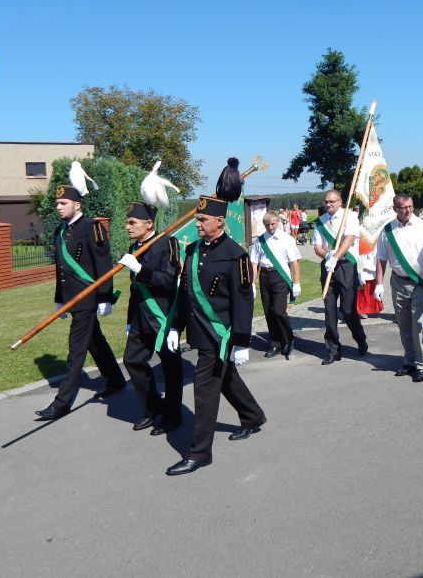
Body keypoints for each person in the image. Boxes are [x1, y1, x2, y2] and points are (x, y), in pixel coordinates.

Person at [165, 158, 266, 475]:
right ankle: (252, 416)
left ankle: (199, 453)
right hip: (199, 331)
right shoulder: (193, 250)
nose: (197, 224)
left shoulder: (236, 255)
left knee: (204, 389)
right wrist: (175, 326)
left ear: (220, 222)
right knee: (227, 379)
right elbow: (186, 292)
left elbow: (243, 300)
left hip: (221, 336)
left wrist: (242, 341)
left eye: (202, 219)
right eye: (197, 219)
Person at [35, 184, 125, 420]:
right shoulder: (60, 231)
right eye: (57, 203)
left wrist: (105, 298)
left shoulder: (92, 228)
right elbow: (61, 270)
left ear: (77, 205)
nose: (58, 207)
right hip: (71, 298)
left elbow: (103, 265)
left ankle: (61, 403)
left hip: (87, 298)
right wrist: (59, 299)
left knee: (76, 351)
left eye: (63, 203)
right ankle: (116, 379)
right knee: (95, 341)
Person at [115, 202, 183, 435]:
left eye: (132, 222)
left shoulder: (168, 244)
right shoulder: (134, 247)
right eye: (127, 222)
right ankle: (153, 408)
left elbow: (168, 280)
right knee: (132, 360)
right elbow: (135, 289)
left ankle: (173, 415)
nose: (127, 227)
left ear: (149, 223)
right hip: (140, 317)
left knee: (171, 368)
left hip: (163, 317)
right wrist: (129, 319)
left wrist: (140, 269)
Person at [374, 194, 423, 383]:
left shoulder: (422, 226)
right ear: (395, 209)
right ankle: (409, 359)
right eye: (403, 207)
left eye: (410, 206)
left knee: (418, 322)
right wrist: (378, 283)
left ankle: (422, 364)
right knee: (403, 323)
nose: (408, 210)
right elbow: (381, 259)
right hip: (398, 281)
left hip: (420, 281)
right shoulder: (387, 230)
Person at [312, 189, 368, 364]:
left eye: (332, 201)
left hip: (346, 266)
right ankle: (333, 350)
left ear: (340, 202)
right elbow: (317, 247)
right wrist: (327, 255)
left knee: (348, 310)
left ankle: (360, 338)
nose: (328, 204)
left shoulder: (350, 216)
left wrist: (336, 257)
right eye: (326, 202)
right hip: (328, 267)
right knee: (329, 312)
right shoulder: (320, 221)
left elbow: (349, 239)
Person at [250, 210, 301, 360]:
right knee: (268, 312)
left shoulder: (287, 239)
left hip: (280, 276)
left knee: (279, 311)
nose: (270, 227)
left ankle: (288, 339)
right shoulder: (259, 241)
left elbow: (294, 263)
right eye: (267, 225)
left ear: (278, 222)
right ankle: (275, 343)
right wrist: (252, 283)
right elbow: (254, 263)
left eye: (273, 224)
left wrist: (296, 283)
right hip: (264, 276)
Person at [356, 240, 383, 318]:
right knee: (361, 283)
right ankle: (360, 310)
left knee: (372, 285)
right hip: (361, 248)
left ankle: (371, 308)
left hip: (372, 246)